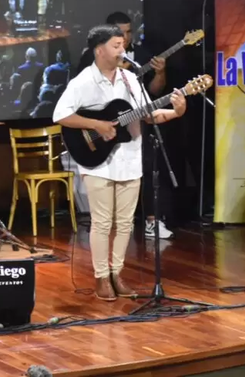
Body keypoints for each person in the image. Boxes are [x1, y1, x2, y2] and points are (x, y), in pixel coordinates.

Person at [53, 25, 187, 301]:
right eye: (116, 45)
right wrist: (97, 125)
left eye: (123, 45)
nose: (122, 50)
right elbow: (60, 115)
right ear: (99, 50)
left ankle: (117, 273)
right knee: (103, 222)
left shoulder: (130, 79)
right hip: (97, 160)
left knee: (125, 223)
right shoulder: (83, 82)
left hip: (130, 158)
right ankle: (101, 277)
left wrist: (175, 112)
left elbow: (149, 114)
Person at [108, 12, 172, 239]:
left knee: (147, 166)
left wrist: (161, 72)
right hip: (108, 126)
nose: (125, 37)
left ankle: (152, 221)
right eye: (120, 32)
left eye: (128, 32)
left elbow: (154, 92)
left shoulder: (141, 56)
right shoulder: (95, 56)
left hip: (137, 124)